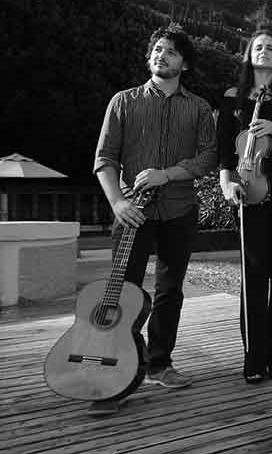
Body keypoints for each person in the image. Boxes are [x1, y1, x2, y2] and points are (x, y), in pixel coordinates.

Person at [92, 24, 217, 415]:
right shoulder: (123, 102)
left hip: (179, 211)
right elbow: (105, 159)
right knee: (122, 294)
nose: (161, 55)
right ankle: (118, 369)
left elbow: (207, 158)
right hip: (132, 214)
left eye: (171, 52)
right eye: (157, 49)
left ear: (185, 64)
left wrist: (167, 174)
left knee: (169, 291)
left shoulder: (199, 108)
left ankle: (159, 364)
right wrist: (117, 203)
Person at [217, 28, 272, 384]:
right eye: (258, 47)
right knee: (253, 277)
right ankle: (254, 358)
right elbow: (225, 150)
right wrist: (226, 184)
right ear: (249, 55)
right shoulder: (232, 97)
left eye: (271, 47)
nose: (265, 51)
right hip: (248, 193)